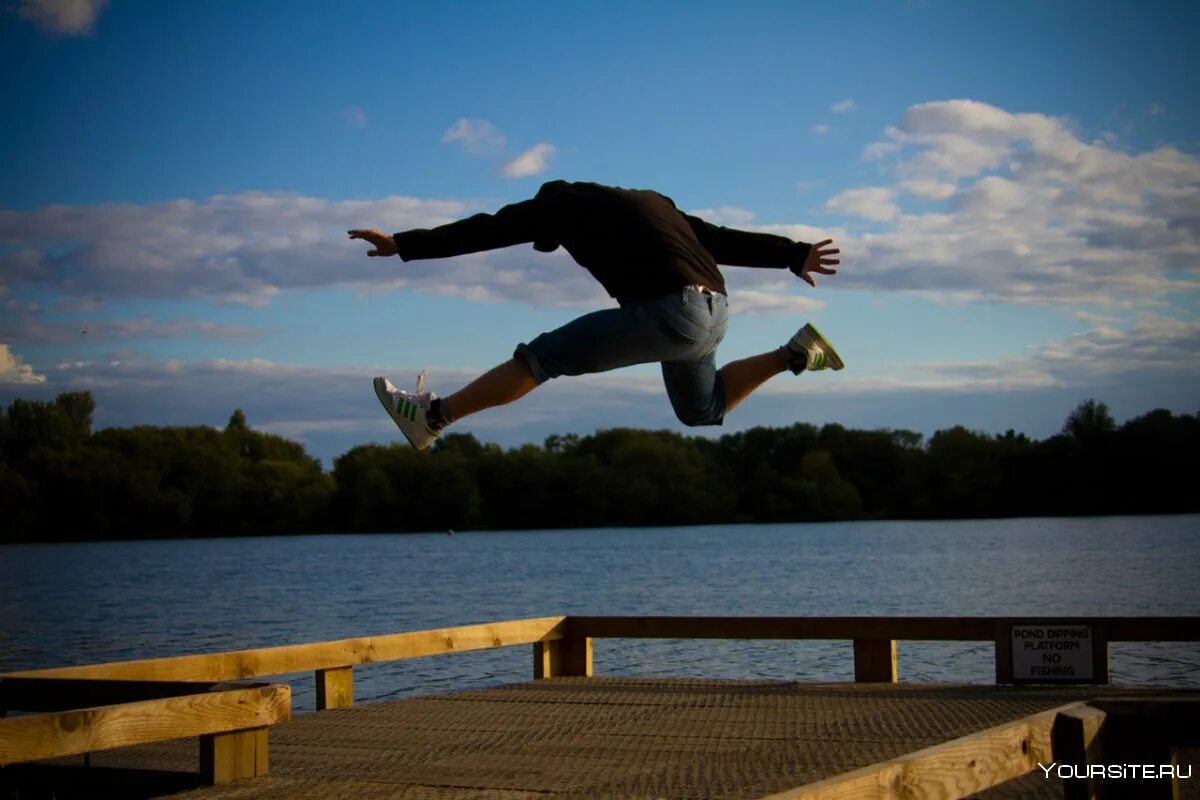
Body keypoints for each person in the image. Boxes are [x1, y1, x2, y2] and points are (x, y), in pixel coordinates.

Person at [348, 179, 843, 451]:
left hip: (672, 313)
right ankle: (794, 354)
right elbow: (716, 237)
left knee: (540, 359)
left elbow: (487, 230)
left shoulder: (557, 205)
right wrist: (792, 253)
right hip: (715, 310)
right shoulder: (653, 202)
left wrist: (404, 244)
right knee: (701, 410)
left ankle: (432, 417)